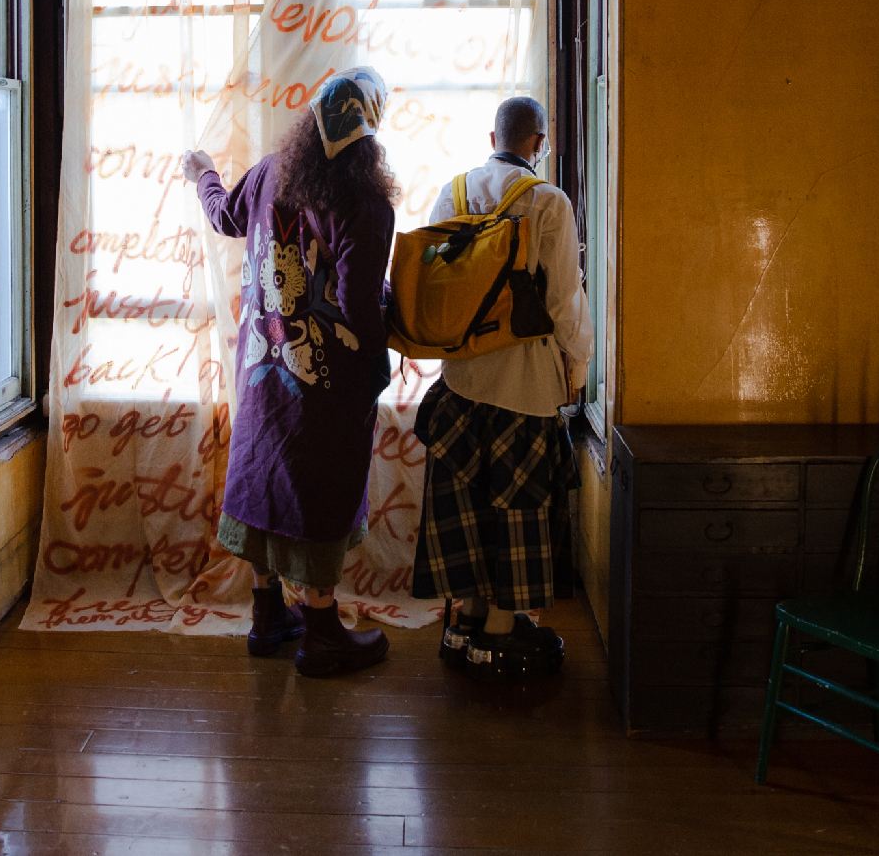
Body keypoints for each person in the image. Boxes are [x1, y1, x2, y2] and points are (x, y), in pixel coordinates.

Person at [182, 67, 397, 677]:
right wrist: (381, 362)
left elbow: (224, 216)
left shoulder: (272, 172)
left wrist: (203, 173)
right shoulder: (366, 202)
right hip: (325, 383)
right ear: (370, 133)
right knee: (321, 489)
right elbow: (357, 306)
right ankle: (323, 634)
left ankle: (268, 616)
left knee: (265, 479)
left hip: (261, 372)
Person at [410, 95, 592, 676]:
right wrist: (578, 367)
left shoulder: (454, 192)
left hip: (461, 382)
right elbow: (565, 300)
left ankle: (465, 620)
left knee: (464, 506)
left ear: (494, 137)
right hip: (526, 384)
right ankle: (501, 632)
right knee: (517, 511)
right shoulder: (548, 202)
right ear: (539, 141)